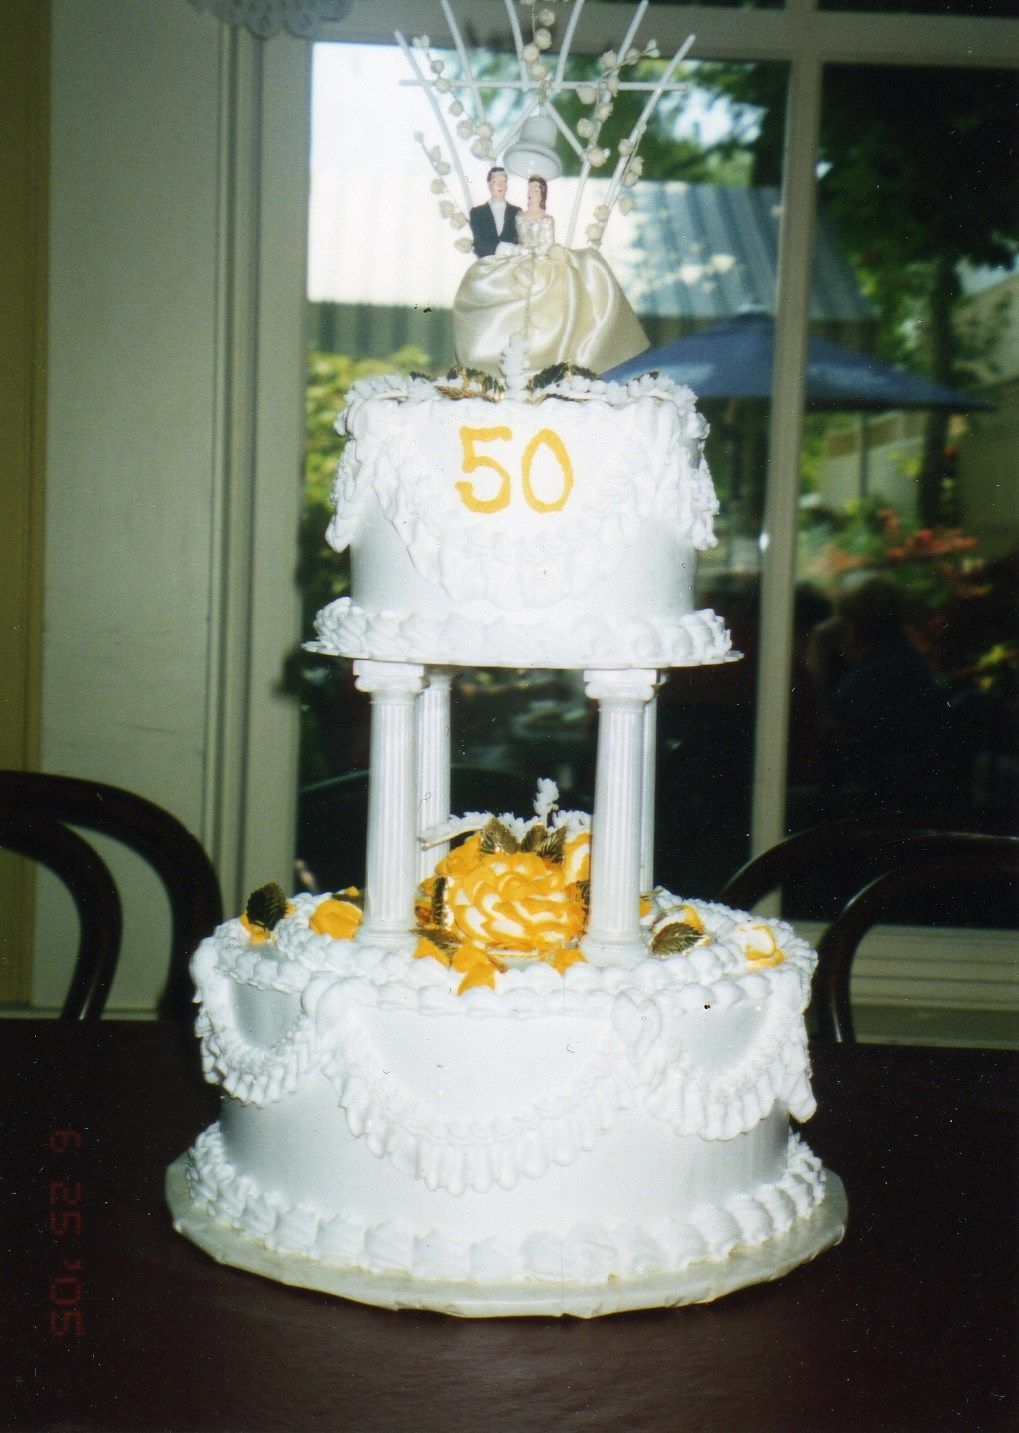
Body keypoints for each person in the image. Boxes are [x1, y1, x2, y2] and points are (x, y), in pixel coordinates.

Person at [454, 175, 648, 376]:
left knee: (553, 296)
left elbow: (547, 242)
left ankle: (549, 357)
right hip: (520, 258)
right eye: (530, 190)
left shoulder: (547, 218)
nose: (532, 194)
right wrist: (520, 252)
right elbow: (517, 239)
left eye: (536, 190)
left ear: (542, 193)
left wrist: (537, 253)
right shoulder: (519, 215)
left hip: (541, 259)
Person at [468, 167, 521, 259]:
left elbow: (520, 242)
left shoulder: (517, 212)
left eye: (504, 181)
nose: (500, 185)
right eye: (495, 182)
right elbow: (479, 245)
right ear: (489, 185)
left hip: (511, 266)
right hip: (487, 267)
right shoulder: (477, 213)